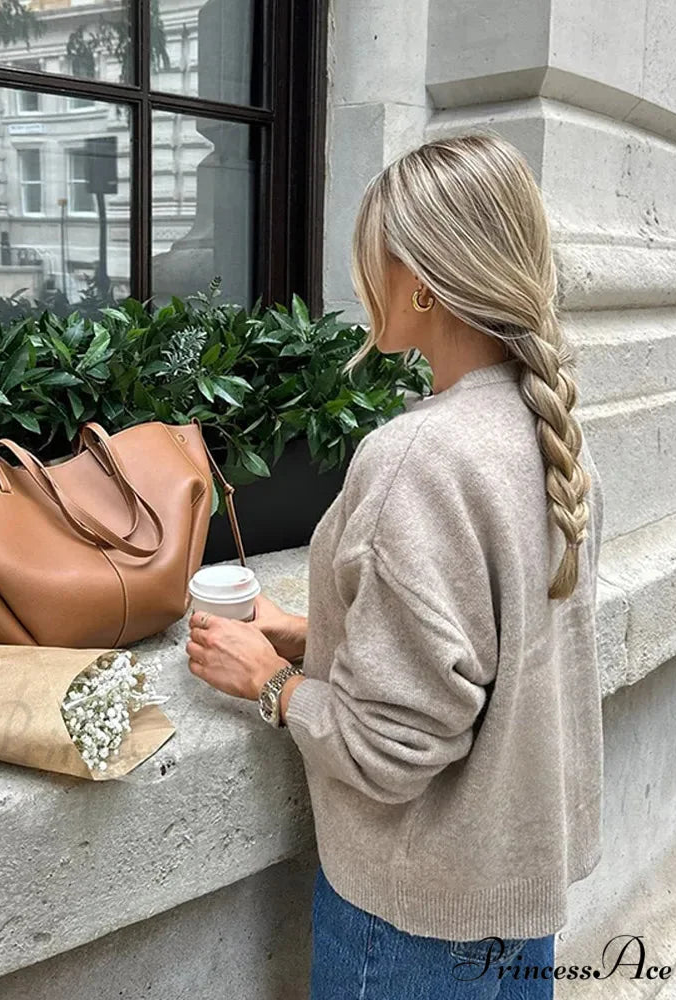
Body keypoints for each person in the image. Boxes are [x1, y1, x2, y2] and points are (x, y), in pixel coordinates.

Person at [185, 130, 605, 999]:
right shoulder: (549, 430)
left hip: (411, 925)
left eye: (370, 254)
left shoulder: (421, 456)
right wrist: (308, 634)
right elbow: (492, 649)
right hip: (513, 907)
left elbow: (397, 745)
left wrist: (269, 682)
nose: (358, 278)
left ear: (420, 283)